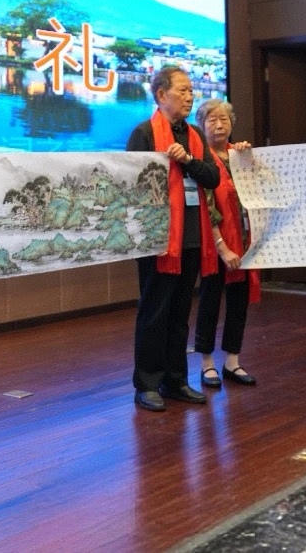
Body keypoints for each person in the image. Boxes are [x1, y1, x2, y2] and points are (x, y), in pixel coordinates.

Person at [126, 66, 220, 411]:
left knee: (180, 313)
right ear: (161, 95)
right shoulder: (144, 133)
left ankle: (176, 380)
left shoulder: (194, 134)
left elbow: (212, 177)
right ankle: (148, 383)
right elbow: (133, 186)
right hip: (158, 237)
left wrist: (189, 160)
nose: (189, 96)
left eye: (191, 90)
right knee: (155, 312)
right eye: (182, 90)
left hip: (192, 235)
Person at [191, 98, 260, 388]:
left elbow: (261, 190)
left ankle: (232, 361)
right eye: (212, 120)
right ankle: (207, 364)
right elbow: (206, 207)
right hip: (214, 244)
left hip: (245, 242)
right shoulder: (202, 160)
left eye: (224, 120)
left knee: (238, 303)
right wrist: (222, 247)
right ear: (201, 126)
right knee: (209, 302)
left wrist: (249, 158)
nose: (219, 125)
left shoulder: (239, 155)